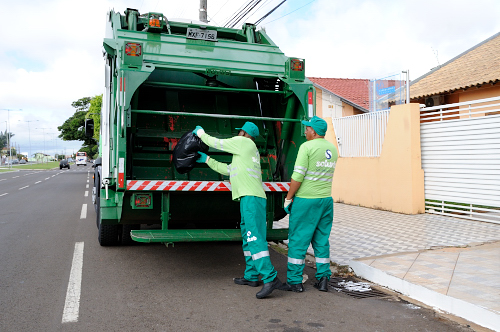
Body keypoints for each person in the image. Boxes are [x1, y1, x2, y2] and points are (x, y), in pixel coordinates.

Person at [193, 121, 283, 299]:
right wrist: (208, 160)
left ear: (244, 133)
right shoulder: (246, 152)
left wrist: (201, 133)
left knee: (254, 238)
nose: (237, 134)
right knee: (248, 239)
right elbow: (229, 170)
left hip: (252, 199)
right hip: (248, 198)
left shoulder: (244, 143)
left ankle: (270, 278)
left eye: (239, 131)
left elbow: (218, 143)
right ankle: (251, 276)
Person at [281, 116, 338, 293]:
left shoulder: (307, 147)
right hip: (326, 201)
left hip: (306, 201)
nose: (305, 131)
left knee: (298, 240)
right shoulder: (332, 149)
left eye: (307, 128)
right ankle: (323, 279)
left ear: (314, 131)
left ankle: (294, 281)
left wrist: (289, 198)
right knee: (321, 240)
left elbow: (297, 177)